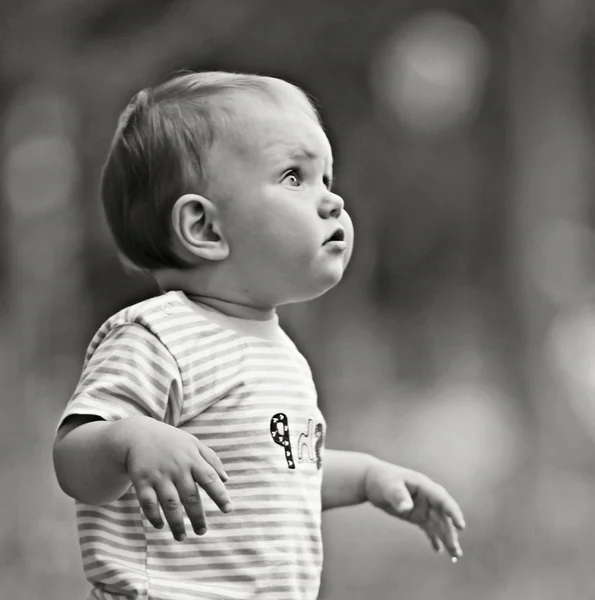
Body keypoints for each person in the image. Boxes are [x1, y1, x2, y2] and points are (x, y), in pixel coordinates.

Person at [53, 71, 466, 600]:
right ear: (204, 228)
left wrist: (365, 477)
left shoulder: (277, 352)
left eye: (327, 179)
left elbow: (273, 477)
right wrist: (130, 438)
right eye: (294, 176)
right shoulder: (157, 336)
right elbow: (74, 462)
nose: (332, 202)